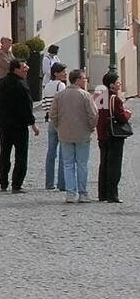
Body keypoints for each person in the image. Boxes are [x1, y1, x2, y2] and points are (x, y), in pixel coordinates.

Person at [0, 58, 39, 192]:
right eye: (24, 67)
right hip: (19, 126)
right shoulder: (21, 85)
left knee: (4, 154)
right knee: (21, 155)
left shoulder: (0, 83)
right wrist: (32, 124)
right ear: (16, 69)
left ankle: (3, 182)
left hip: (5, 125)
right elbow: (27, 107)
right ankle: (16, 184)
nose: (27, 69)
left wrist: (0, 116)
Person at [52, 68, 98, 203]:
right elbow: (93, 115)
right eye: (84, 78)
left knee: (68, 164)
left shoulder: (60, 95)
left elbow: (53, 114)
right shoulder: (85, 95)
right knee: (82, 164)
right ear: (77, 80)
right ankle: (83, 193)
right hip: (82, 134)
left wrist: (58, 127)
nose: (85, 80)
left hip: (65, 134)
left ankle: (70, 193)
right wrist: (91, 127)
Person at [97, 70, 132, 203]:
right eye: (117, 82)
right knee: (114, 165)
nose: (119, 84)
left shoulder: (100, 97)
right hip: (114, 134)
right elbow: (121, 117)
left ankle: (102, 193)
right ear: (111, 85)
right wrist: (128, 114)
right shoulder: (115, 99)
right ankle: (112, 194)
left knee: (104, 164)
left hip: (102, 134)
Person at [42, 62, 67, 192]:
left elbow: (44, 104)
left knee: (51, 152)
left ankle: (49, 182)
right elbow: (64, 103)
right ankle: (62, 183)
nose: (65, 73)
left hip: (51, 121)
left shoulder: (47, 86)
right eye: (63, 71)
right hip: (61, 121)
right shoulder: (60, 85)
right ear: (56, 73)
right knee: (63, 152)